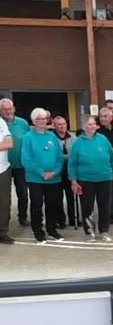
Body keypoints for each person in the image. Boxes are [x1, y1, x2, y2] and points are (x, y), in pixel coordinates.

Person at [68, 115, 113, 242]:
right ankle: (89, 232)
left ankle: (104, 231)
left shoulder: (103, 139)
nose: (92, 126)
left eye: (93, 124)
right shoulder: (77, 143)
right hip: (86, 180)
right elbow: (72, 163)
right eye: (89, 124)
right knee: (87, 208)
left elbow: (112, 158)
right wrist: (73, 181)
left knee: (105, 206)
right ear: (83, 127)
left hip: (105, 178)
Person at [21, 107, 64, 244]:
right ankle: (38, 232)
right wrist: (41, 172)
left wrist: (55, 172)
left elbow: (59, 157)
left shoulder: (52, 136)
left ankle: (52, 230)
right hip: (35, 179)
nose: (42, 121)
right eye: (39, 119)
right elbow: (26, 159)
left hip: (53, 179)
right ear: (33, 121)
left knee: (52, 204)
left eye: (44, 119)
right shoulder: (28, 137)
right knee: (37, 204)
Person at [0, 97, 30, 226]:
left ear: (14, 109)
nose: (7, 111)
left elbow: (29, 141)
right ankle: (4, 221)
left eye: (9, 108)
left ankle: (22, 217)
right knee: (5, 197)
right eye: (4, 109)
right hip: (4, 166)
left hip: (20, 165)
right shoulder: (0, 124)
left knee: (23, 194)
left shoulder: (23, 123)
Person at [52, 115, 77, 227]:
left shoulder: (73, 137)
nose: (62, 126)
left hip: (69, 171)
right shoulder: (51, 137)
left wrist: (63, 157)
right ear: (54, 126)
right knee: (57, 197)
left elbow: (75, 154)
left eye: (64, 124)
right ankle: (60, 220)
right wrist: (66, 157)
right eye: (59, 124)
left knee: (71, 196)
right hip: (57, 171)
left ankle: (73, 219)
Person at [0, 114, 14, 244]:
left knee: (4, 203)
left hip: (3, 169)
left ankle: (3, 232)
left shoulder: (1, 122)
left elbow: (9, 143)